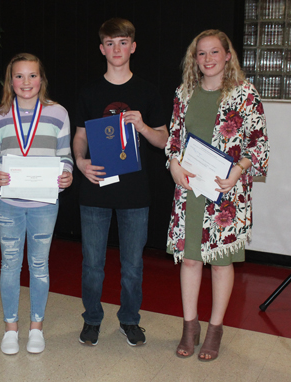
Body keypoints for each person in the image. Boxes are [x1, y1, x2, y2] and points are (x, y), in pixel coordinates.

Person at [165, 30, 269, 361]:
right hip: (190, 191)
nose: (208, 59)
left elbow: (259, 145)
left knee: (221, 264)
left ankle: (215, 329)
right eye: (201, 54)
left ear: (228, 56)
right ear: (194, 59)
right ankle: (189, 327)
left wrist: (237, 171)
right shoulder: (185, 93)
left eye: (214, 52)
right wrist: (173, 164)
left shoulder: (245, 94)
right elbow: (174, 139)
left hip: (226, 194)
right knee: (191, 259)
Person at [73, 18, 168, 347]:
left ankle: (129, 319)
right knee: (92, 265)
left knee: (132, 266)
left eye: (123, 42)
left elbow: (162, 140)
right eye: (110, 43)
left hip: (135, 193)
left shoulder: (148, 91)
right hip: (95, 189)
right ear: (102, 49)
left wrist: (142, 126)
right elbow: (80, 136)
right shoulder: (89, 92)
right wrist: (80, 161)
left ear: (133, 46)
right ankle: (92, 319)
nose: (117, 49)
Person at [0, 53, 73, 355]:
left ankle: (37, 326)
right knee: (9, 264)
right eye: (19, 76)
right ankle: (11, 327)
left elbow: (66, 156)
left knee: (39, 265)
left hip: (44, 204)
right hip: (7, 203)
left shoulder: (58, 113)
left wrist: (67, 175)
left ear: (42, 79)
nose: (26, 82)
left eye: (32, 75)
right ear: (10, 81)